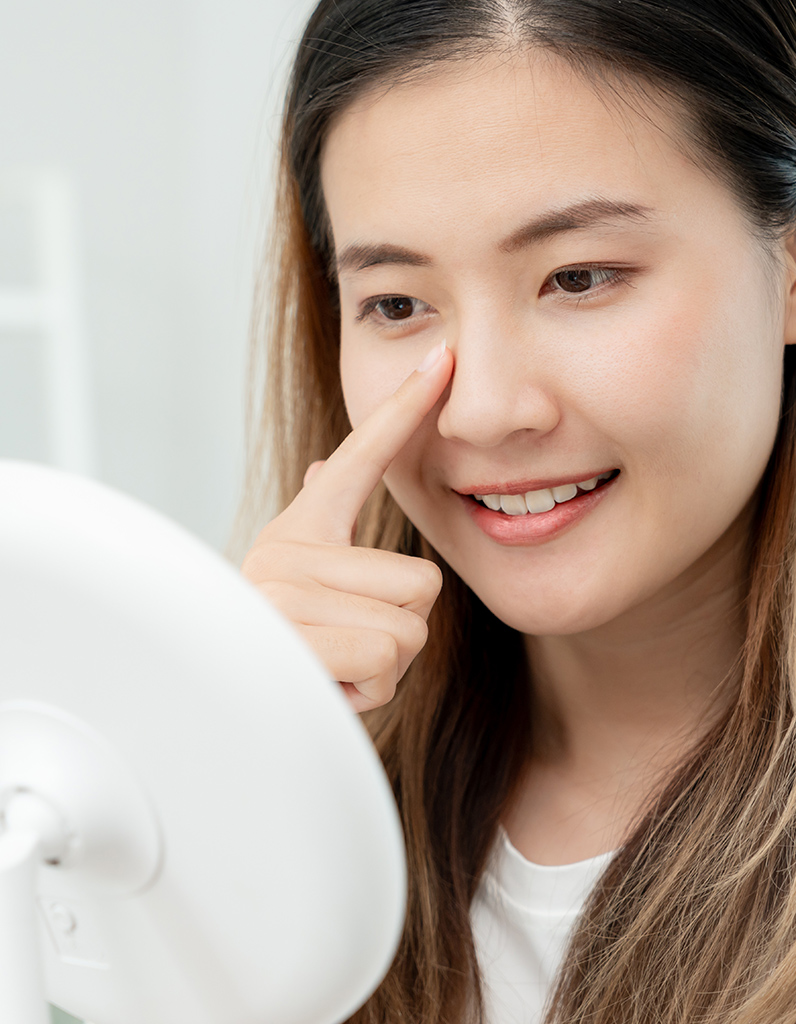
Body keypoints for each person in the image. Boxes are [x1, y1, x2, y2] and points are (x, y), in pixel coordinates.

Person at [236, 1, 796, 1021]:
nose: (485, 410)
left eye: (578, 277)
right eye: (398, 304)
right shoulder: (284, 786)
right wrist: (219, 777)